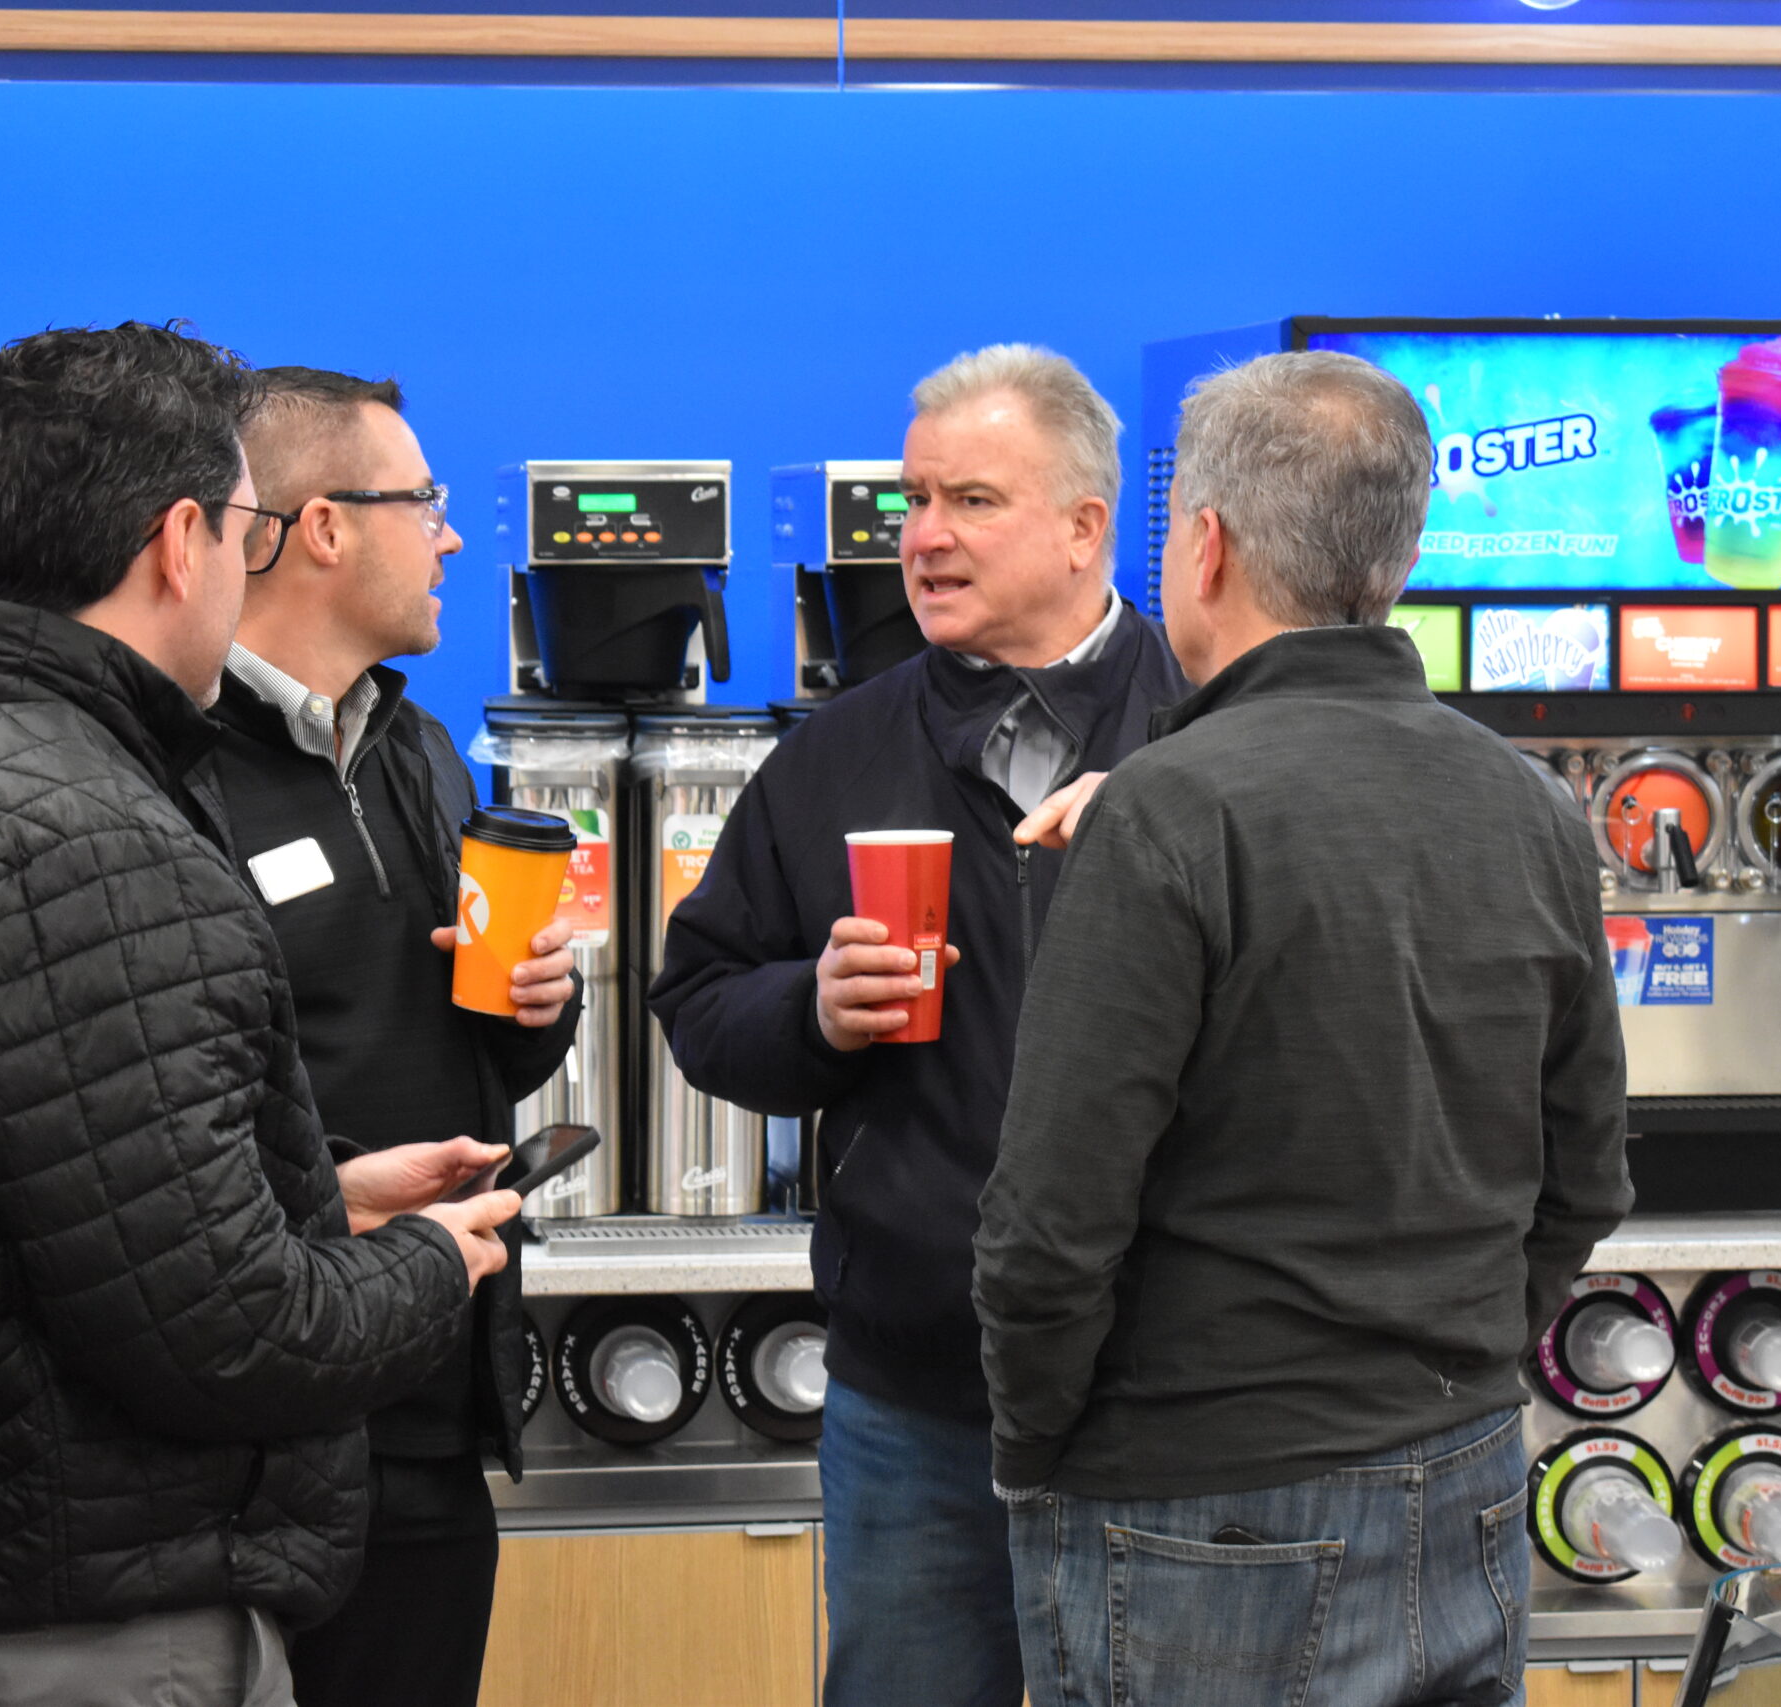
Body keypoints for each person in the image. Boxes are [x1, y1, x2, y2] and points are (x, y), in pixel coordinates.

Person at [0, 323, 519, 1707]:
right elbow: (231, 1338)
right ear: (179, 543)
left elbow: (47, 1214)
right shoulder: (99, 844)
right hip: (84, 1618)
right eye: (236, 528)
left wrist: (322, 1205)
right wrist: (434, 1267)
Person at [971, 350, 1633, 1707]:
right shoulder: (1535, 808)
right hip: (1471, 1484)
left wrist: (1035, 1444)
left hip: (1201, 1509)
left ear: (1201, 547)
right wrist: (1466, 1357)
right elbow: (1588, 1179)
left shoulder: (1165, 807)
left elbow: (1049, 1224)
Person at [648, 344, 1188, 1706]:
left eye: (972, 502)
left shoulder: (1207, 735)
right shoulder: (837, 752)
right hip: (918, 1400)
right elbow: (699, 1000)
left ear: (1085, 527)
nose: (925, 538)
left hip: (1176, 1392)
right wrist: (812, 1011)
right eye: (914, 501)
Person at [207, 366, 581, 1707]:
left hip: (431, 1388)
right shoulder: (169, 768)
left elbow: (482, 1042)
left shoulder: (419, 750)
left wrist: (543, 1001)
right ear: (321, 528)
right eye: (425, 501)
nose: (454, 534)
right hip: (259, 1427)